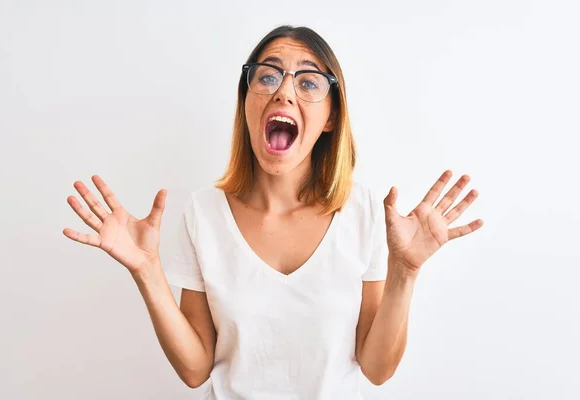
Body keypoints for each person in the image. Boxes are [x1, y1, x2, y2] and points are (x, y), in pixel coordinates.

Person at [63, 25, 483, 399]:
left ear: (331, 116)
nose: (284, 91)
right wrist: (147, 271)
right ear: (246, 101)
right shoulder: (204, 214)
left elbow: (376, 369)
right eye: (267, 76)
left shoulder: (364, 211)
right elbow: (195, 371)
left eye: (308, 81)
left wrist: (405, 272)